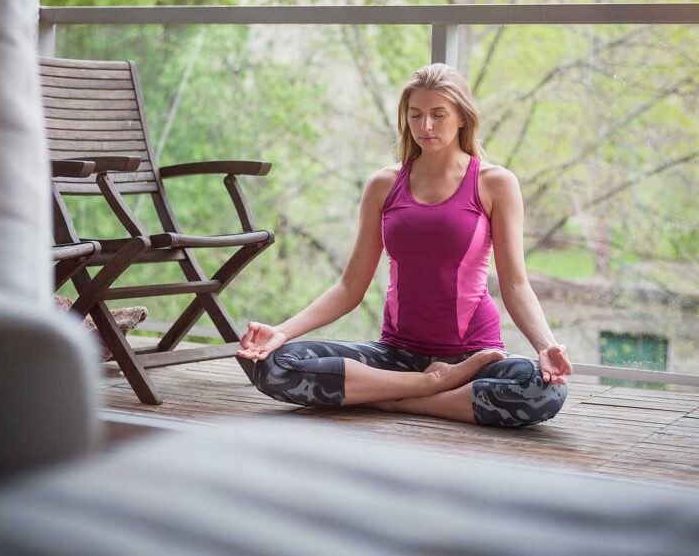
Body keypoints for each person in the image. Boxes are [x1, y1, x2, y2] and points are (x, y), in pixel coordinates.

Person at [239, 64, 573, 428]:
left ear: (462, 117)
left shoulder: (495, 183)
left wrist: (545, 347)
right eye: (416, 115)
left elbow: (515, 285)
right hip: (394, 357)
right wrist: (282, 332)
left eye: (438, 115)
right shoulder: (384, 184)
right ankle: (428, 386)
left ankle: (398, 400)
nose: (425, 126)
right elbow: (350, 287)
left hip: (473, 359)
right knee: (274, 366)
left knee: (545, 390)